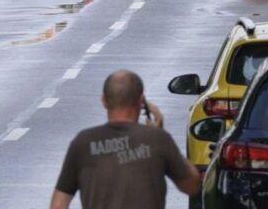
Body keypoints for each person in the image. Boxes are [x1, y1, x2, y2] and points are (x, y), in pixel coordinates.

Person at [50, 70, 200, 209]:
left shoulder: (83, 142)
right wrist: (162, 136)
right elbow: (192, 185)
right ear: (140, 101)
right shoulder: (157, 139)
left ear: (104, 101)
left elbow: (58, 205)